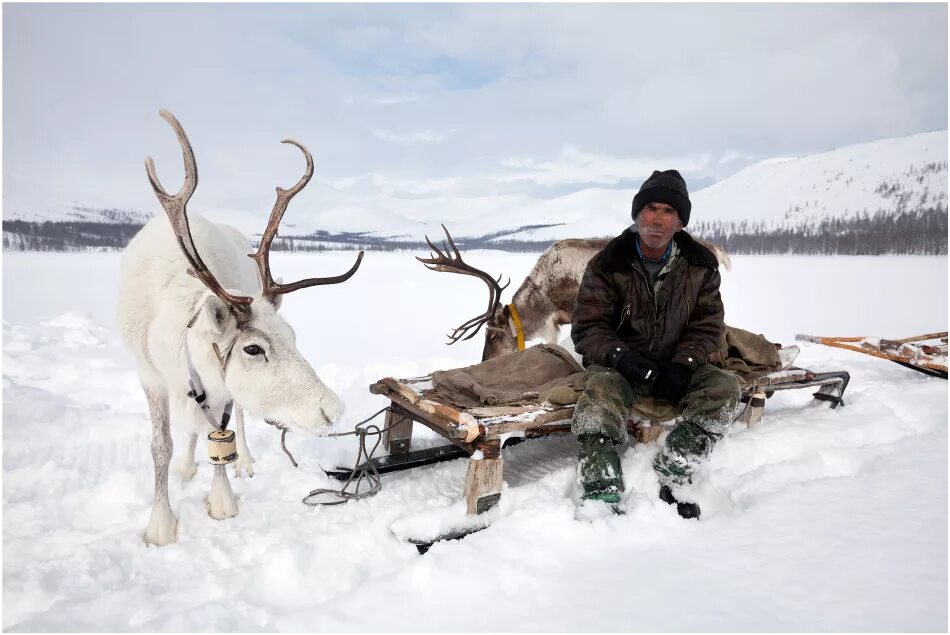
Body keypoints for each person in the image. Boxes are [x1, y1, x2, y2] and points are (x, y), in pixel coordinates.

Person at [570, 169, 740, 519]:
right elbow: (587, 328)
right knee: (599, 395)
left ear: (680, 222)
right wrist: (623, 356)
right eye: (650, 208)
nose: (657, 219)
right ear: (637, 214)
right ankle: (601, 490)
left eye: (668, 211)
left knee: (725, 387)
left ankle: (676, 470)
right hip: (621, 367)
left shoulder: (700, 268)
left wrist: (684, 364)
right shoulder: (606, 265)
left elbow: (707, 326)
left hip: (673, 365)